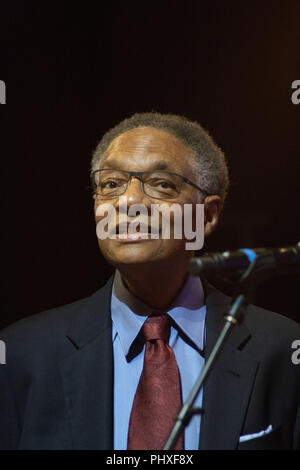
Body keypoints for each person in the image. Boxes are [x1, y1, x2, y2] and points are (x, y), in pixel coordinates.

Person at [0, 112, 299, 450]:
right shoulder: (22, 355)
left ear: (208, 215)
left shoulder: (282, 350)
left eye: (161, 184)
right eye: (111, 184)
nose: (128, 203)